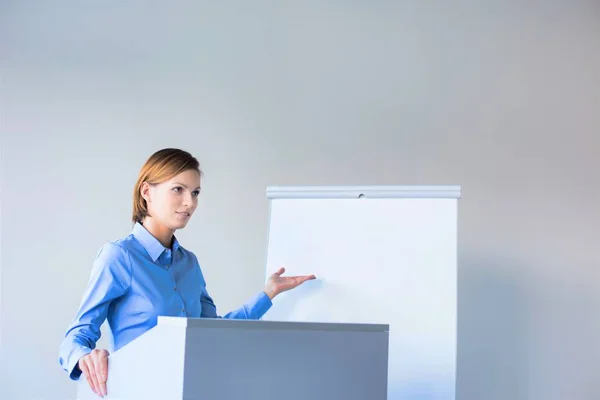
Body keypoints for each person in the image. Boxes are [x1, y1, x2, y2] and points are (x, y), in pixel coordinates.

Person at [58, 148, 316, 397]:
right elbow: (77, 335)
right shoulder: (119, 256)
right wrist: (84, 357)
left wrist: (268, 293)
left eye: (195, 192)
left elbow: (212, 330)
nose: (189, 202)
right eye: (178, 189)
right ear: (146, 191)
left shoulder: (189, 263)